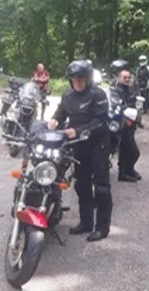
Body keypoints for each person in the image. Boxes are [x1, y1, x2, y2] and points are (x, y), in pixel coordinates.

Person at [48, 60, 112, 242]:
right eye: (74, 78)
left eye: (81, 78)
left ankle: (102, 228)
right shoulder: (68, 95)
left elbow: (100, 121)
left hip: (98, 145)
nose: (77, 82)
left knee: (101, 187)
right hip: (79, 146)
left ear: (88, 78)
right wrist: (54, 121)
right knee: (82, 185)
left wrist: (78, 130)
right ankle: (86, 222)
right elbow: (61, 112)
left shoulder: (98, 94)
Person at [114, 69, 141, 182]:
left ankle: (129, 170)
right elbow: (118, 106)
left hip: (131, 122)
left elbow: (134, 103)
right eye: (124, 77)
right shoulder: (116, 91)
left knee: (132, 151)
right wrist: (126, 116)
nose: (127, 79)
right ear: (119, 78)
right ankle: (123, 174)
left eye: (129, 77)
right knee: (129, 150)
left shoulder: (129, 90)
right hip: (123, 124)